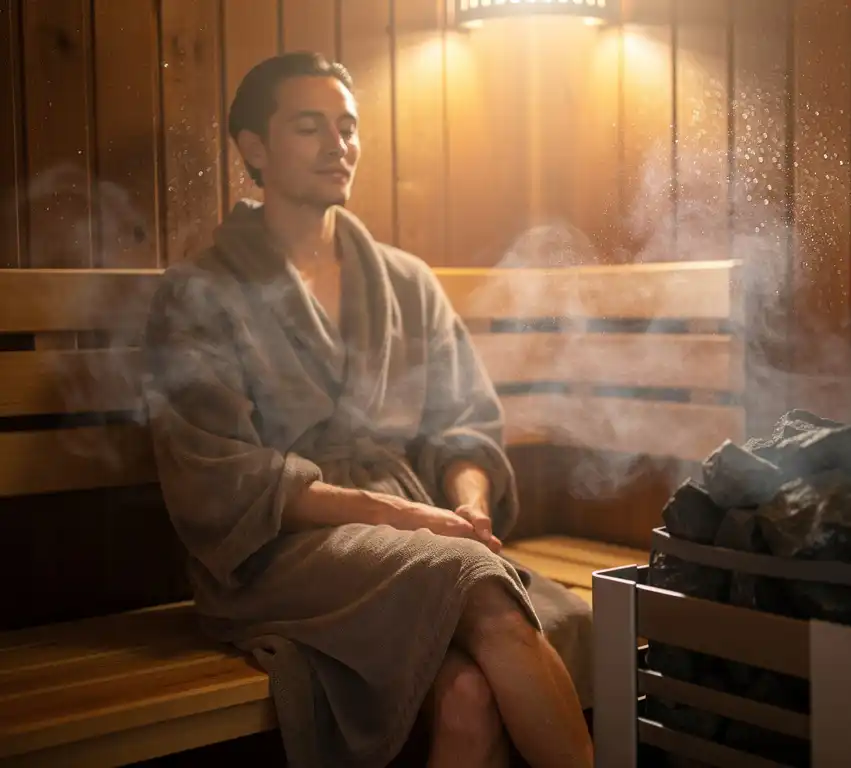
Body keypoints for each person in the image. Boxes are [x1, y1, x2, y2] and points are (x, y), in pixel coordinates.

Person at [142, 51, 595, 768]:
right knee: (481, 587)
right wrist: (408, 519)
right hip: (279, 553)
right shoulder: (201, 291)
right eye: (309, 126)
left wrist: (468, 507)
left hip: (418, 537)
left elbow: (464, 423)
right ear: (253, 148)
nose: (338, 145)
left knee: (471, 695)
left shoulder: (404, 281)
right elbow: (222, 476)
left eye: (348, 127)